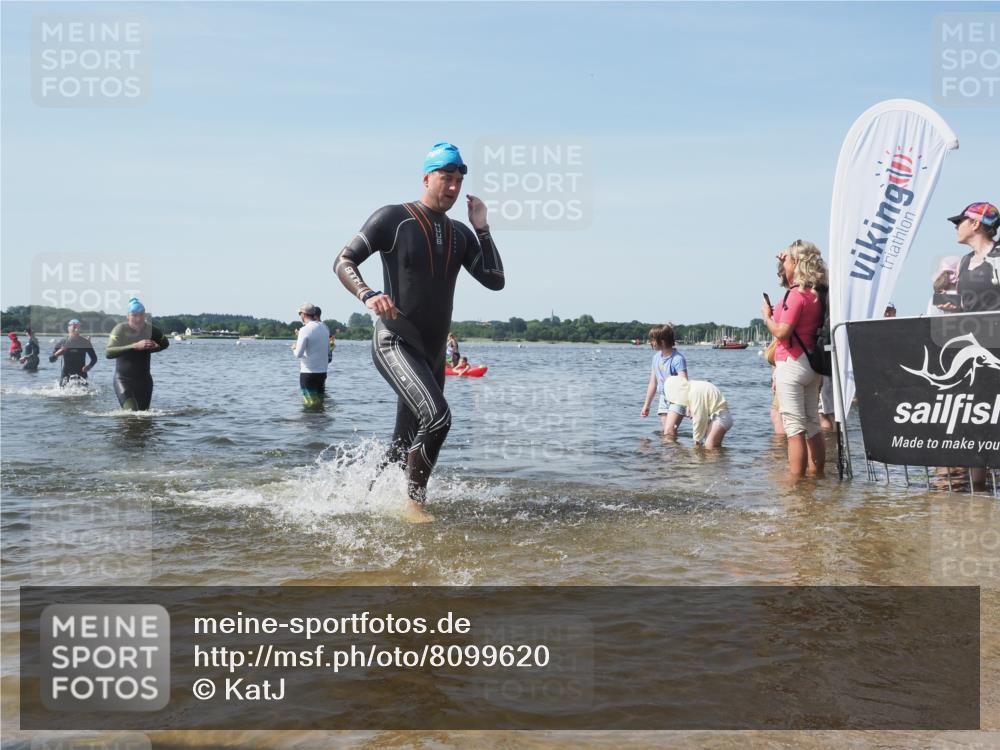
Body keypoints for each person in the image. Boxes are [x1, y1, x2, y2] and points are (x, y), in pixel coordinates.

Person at [334, 141, 505, 522]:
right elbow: (343, 260)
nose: (453, 187)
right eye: (446, 178)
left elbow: (495, 280)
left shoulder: (461, 234)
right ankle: (415, 505)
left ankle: (362, 501)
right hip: (395, 340)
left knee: (401, 445)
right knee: (439, 418)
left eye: (459, 180)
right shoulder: (393, 218)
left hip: (431, 353)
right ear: (427, 177)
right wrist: (368, 294)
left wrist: (483, 229)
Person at [762, 239, 827, 478]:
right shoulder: (815, 293)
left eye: (788, 258)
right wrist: (784, 263)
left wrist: (767, 317)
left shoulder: (795, 295)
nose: (784, 262)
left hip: (791, 363)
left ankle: (795, 483)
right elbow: (788, 283)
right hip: (812, 365)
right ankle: (815, 475)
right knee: (812, 422)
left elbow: (782, 332)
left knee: (794, 428)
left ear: (797, 262)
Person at [105, 297, 169, 411]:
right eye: (134, 315)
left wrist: (152, 348)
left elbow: (165, 344)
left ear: (145, 315)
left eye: (141, 315)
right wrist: (134, 346)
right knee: (132, 414)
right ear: (128, 316)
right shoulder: (120, 329)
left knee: (144, 418)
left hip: (145, 381)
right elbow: (108, 352)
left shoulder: (151, 330)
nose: (138, 319)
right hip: (123, 380)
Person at [943, 202, 1000, 313]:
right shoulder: (963, 262)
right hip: (972, 329)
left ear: (975, 224)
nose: (956, 227)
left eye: (959, 222)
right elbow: (967, 308)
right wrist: (955, 308)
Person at [640, 323, 688, 437]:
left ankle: (672, 453)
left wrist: (690, 405)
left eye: (652, 340)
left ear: (662, 341)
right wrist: (647, 405)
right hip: (663, 398)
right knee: (668, 433)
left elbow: (684, 383)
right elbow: (653, 383)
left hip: (677, 399)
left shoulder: (677, 359)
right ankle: (670, 453)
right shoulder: (656, 358)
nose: (650, 343)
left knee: (669, 432)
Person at [663, 375, 733, 448]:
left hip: (721, 417)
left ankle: (715, 458)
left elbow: (699, 419)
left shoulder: (694, 391)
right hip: (717, 416)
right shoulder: (692, 387)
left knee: (709, 446)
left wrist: (697, 440)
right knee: (712, 448)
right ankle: (720, 459)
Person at [292, 303, 330, 407]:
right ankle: (321, 423)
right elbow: (328, 351)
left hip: (308, 373)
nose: (300, 316)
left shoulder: (304, 330)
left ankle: (310, 423)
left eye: (300, 313)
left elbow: (298, 354)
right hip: (322, 372)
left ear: (303, 314)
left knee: (310, 406)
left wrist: (294, 348)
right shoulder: (324, 328)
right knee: (320, 404)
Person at [49, 319, 98, 386]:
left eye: (78, 327)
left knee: (85, 393)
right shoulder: (63, 342)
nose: (76, 329)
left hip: (81, 373)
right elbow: (51, 360)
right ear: (69, 328)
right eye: (74, 327)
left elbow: (94, 358)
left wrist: (89, 366)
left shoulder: (85, 342)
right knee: (62, 392)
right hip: (66, 373)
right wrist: (57, 354)